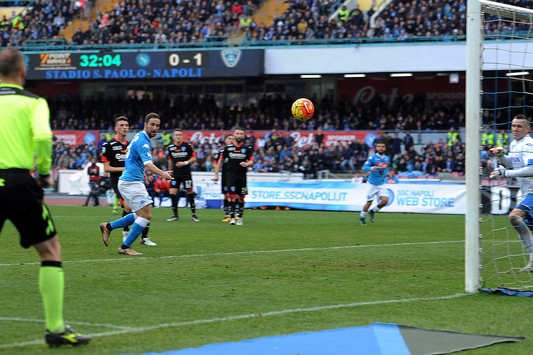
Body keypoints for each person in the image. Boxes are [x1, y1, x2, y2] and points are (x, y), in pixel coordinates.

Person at [0, 47, 91, 347]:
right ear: (23, 72)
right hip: (16, 182)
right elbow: (42, 136)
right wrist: (44, 174)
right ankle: (55, 329)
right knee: (50, 249)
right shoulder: (34, 102)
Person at [99, 113, 172, 255]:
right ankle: (125, 247)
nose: (155, 128)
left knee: (139, 215)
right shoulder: (143, 141)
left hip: (131, 181)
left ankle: (108, 226)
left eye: (157, 125)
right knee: (146, 216)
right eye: (152, 124)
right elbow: (148, 164)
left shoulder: (138, 136)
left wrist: (141, 172)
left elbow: (131, 158)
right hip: (131, 183)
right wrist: (163, 174)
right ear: (145, 125)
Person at [101, 116, 156, 246]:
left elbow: (138, 162)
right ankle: (125, 237)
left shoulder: (132, 144)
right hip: (120, 181)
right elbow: (106, 168)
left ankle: (139, 237)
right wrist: (125, 168)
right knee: (131, 208)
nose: (125, 127)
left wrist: (142, 173)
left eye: (126, 125)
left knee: (141, 210)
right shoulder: (108, 145)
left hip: (134, 179)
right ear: (115, 128)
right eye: (121, 125)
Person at [490, 114, 533, 272]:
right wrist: (502, 156)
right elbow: (513, 164)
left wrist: (506, 174)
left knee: (514, 217)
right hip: (527, 192)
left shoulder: (528, 144)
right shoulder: (515, 144)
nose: (515, 129)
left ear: (528, 128)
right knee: (529, 227)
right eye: (513, 126)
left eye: (519, 126)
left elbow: (531, 169)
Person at [214, 128, 254, 225]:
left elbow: (252, 161)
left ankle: (239, 217)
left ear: (243, 136)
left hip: (242, 177)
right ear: (234, 135)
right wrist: (216, 174)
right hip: (230, 176)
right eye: (237, 134)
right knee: (231, 196)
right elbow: (220, 160)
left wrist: (247, 164)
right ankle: (232, 218)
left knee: (241, 197)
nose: (239, 135)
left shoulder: (247, 148)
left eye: (241, 134)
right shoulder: (228, 148)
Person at [166, 128, 199, 222]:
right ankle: (175, 215)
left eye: (179, 135)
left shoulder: (187, 145)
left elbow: (194, 158)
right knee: (172, 193)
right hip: (175, 174)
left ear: (182, 136)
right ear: (173, 136)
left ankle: (194, 215)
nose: (178, 136)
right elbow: (170, 161)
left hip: (186, 173)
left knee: (189, 192)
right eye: (176, 135)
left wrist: (184, 163)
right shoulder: (171, 147)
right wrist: (170, 172)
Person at [360, 139, 391, 226]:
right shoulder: (372, 158)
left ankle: (373, 211)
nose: (381, 148)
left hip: (381, 183)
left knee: (385, 201)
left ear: (385, 148)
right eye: (379, 146)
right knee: (369, 202)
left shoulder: (387, 159)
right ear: (376, 148)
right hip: (372, 184)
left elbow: (385, 168)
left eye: (382, 147)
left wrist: (387, 174)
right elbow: (364, 167)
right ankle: (362, 217)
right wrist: (371, 168)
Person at [214, 134, 235, 221]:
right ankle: (227, 215)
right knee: (226, 195)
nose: (231, 140)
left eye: (232, 139)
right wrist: (216, 173)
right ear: (225, 141)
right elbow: (216, 162)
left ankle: (235, 213)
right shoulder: (221, 151)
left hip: (235, 175)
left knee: (235, 195)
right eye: (229, 138)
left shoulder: (238, 151)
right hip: (225, 175)